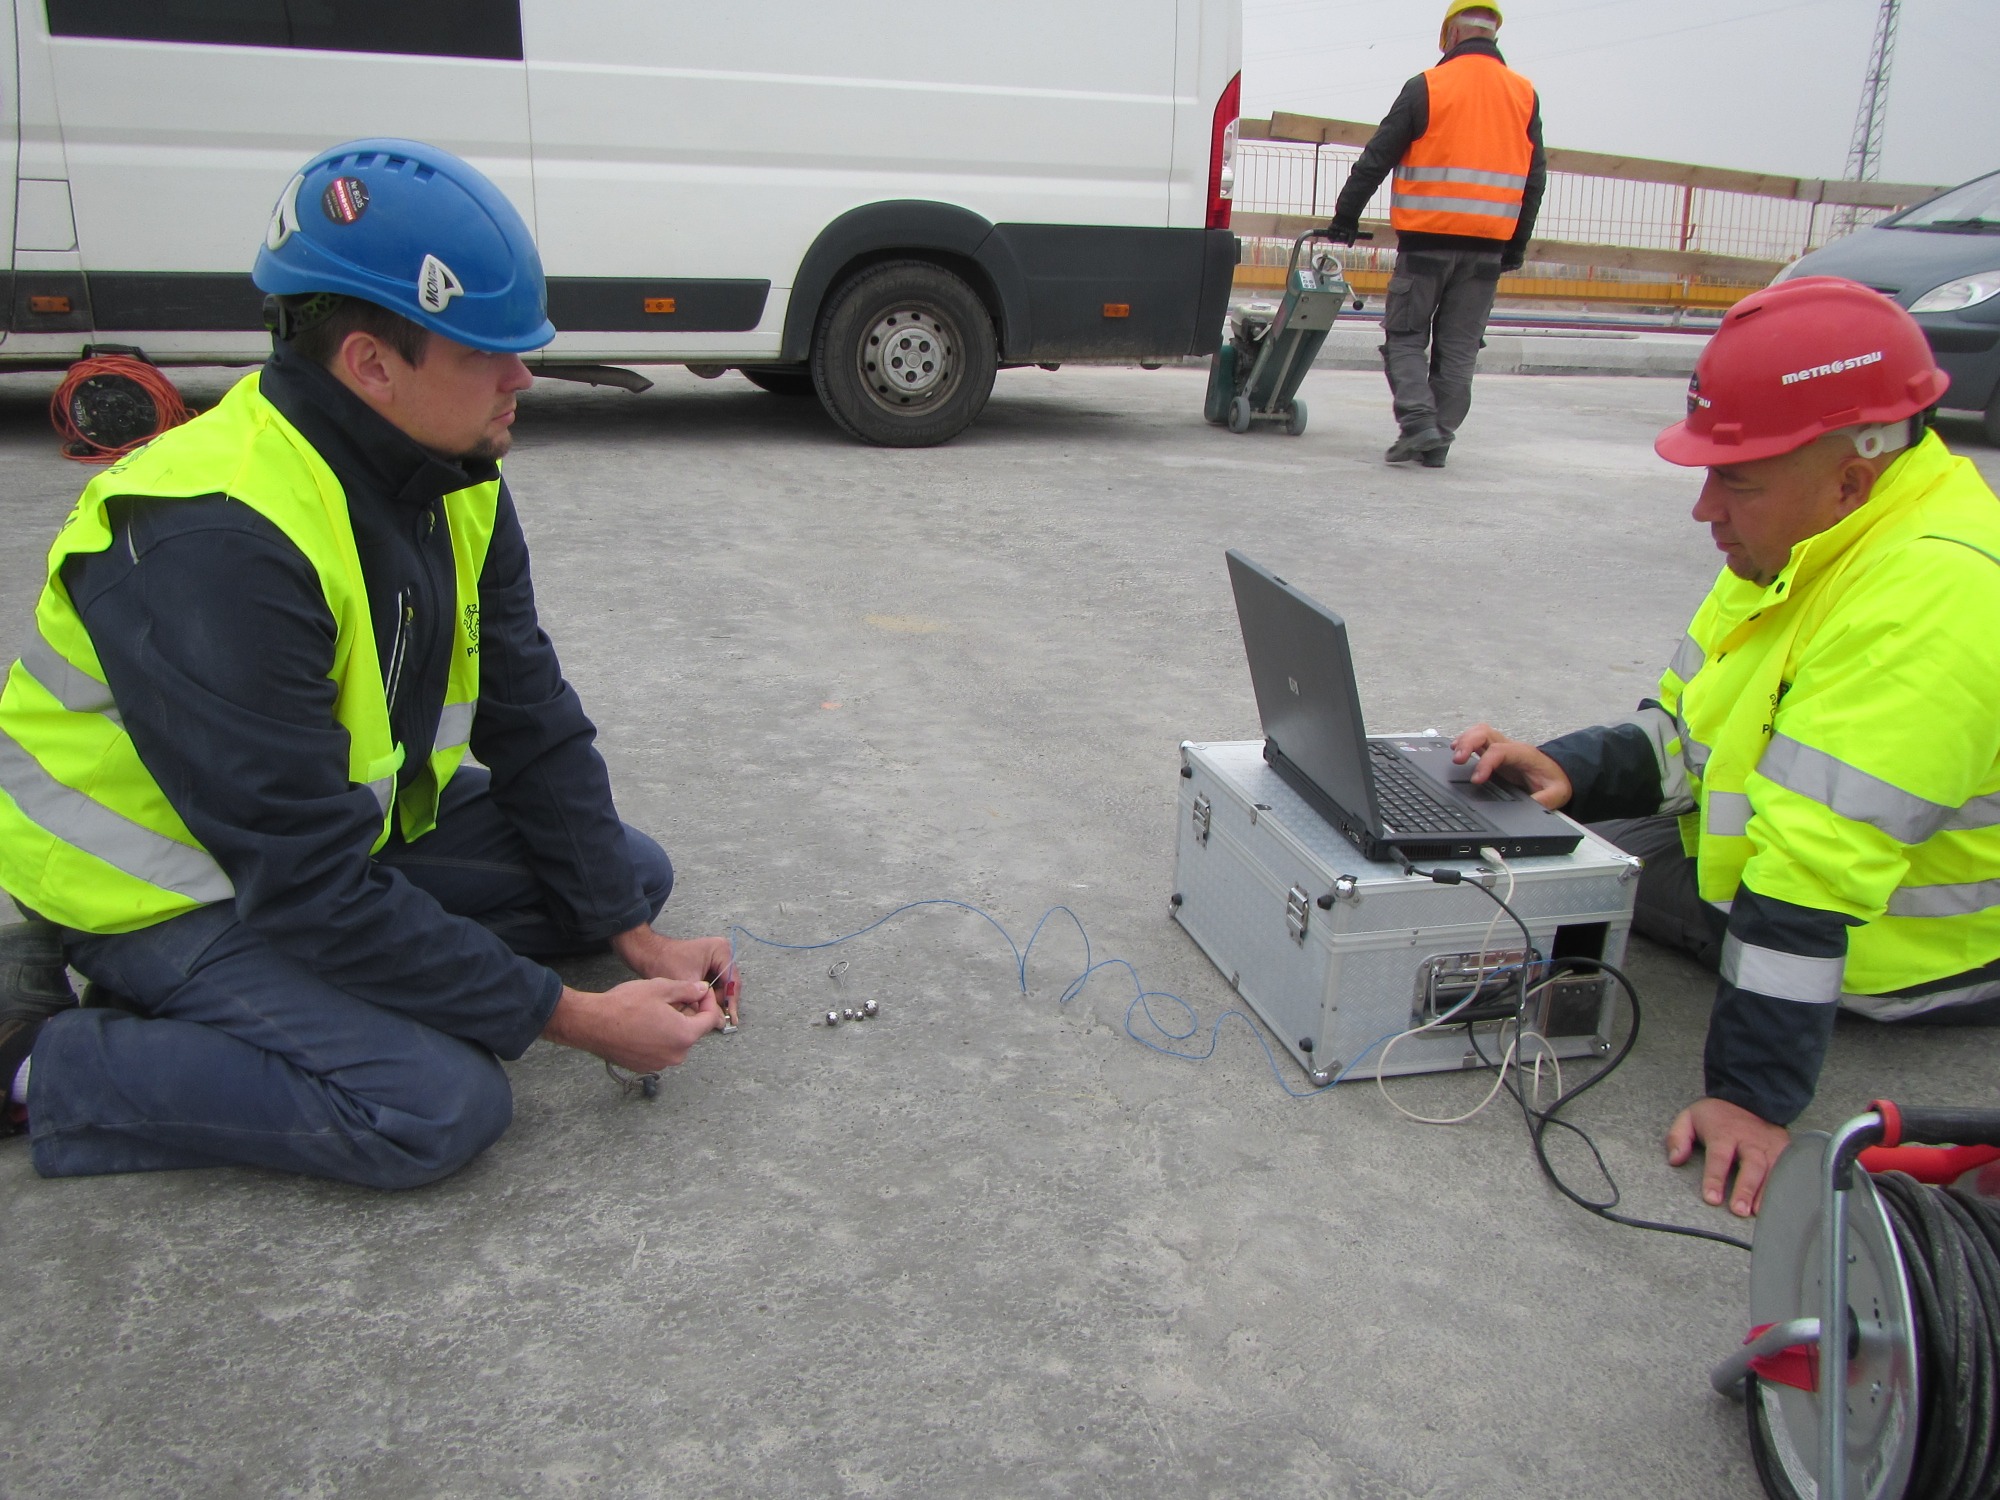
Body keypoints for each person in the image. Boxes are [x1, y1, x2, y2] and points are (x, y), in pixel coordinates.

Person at [0, 139, 737, 1187]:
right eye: (489, 351)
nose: (522, 375)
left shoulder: (453, 468)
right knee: (433, 1103)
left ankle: (242, 1005)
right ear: (371, 364)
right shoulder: (216, 537)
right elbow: (305, 885)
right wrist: (572, 1020)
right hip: (157, 890)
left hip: (313, 839)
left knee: (624, 879)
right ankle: (45, 1060)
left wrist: (630, 938)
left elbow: (528, 709)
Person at [1454, 277, 2000, 1218]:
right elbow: (1691, 735)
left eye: (1734, 481)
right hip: (1773, 877)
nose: (1705, 509)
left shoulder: (1932, 599)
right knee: (1520, 833)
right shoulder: (1802, 541)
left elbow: (1807, 882)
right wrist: (1571, 765)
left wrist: (1750, 1097)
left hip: (1890, 952)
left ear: (1850, 479)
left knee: (1534, 881)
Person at [1326, 0, 1546, 469]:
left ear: (1450, 34)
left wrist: (1345, 217)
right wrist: (1516, 246)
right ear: (1493, 36)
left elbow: (1378, 156)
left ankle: (1420, 424)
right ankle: (1438, 439)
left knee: (1405, 337)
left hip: (1426, 243)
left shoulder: (1427, 86)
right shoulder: (1523, 94)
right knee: (1459, 349)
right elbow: (1535, 177)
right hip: (1488, 250)